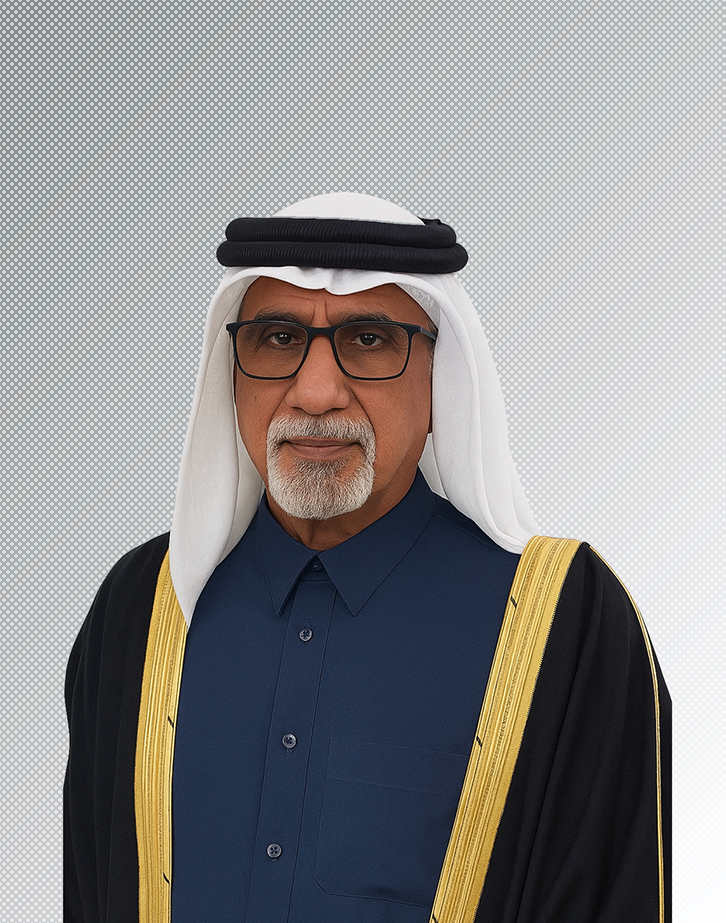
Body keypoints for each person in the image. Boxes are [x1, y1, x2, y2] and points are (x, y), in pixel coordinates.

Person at [64, 193, 670, 923]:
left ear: (441, 376)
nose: (316, 393)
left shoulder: (566, 624)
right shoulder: (142, 608)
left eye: (370, 340)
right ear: (232, 372)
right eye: (278, 338)